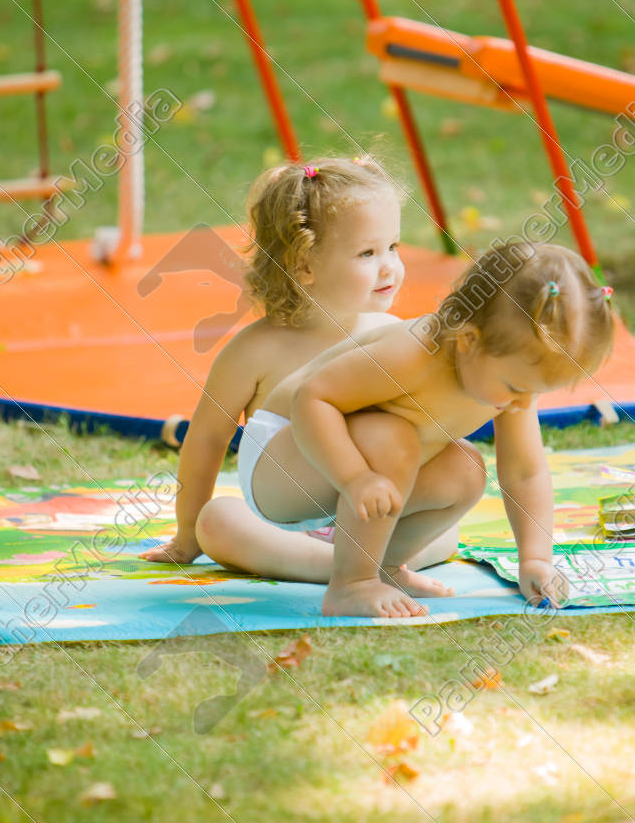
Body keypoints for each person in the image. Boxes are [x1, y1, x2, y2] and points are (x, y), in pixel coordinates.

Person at [240, 239, 616, 619]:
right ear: (469, 341)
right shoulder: (412, 355)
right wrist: (353, 477)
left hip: (352, 481)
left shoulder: (503, 376)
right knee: (393, 437)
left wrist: (535, 558)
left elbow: (525, 471)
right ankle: (351, 584)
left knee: (467, 468)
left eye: (536, 391)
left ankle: (383, 569)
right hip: (280, 467)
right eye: (518, 388)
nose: (523, 403)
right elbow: (312, 399)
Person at [142, 155, 460, 580]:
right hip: (285, 521)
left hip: (369, 514)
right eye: (367, 252)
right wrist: (187, 535)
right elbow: (205, 440)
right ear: (305, 265)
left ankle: (359, 561)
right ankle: (348, 568)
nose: (390, 266)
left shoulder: (391, 335)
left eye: (393, 247)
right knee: (217, 521)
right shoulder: (254, 351)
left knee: (450, 525)